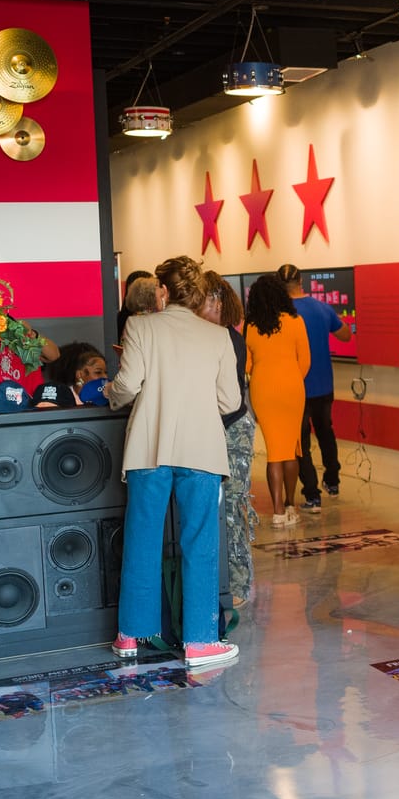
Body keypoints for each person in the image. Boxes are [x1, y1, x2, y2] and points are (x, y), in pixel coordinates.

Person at [104, 255, 243, 669]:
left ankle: (130, 635)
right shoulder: (217, 335)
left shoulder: (140, 326)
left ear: (162, 290)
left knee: (142, 539)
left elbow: (127, 386)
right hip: (201, 448)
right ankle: (200, 642)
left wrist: (111, 394)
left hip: (151, 446)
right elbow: (231, 401)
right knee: (199, 541)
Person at [197, 271, 258, 609]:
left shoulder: (227, 339)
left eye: (200, 300)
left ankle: (238, 585)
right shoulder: (207, 336)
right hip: (215, 427)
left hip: (232, 429)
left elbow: (227, 401)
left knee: (233, 509)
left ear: (217, 302)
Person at [245, 272, 311, 528]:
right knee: (292, 447)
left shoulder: (251, 326)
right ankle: (292, 503)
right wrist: (292, 379)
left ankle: (277, 510)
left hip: (263, 389)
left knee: (275, 450)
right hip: (292, 388)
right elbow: (305, 361)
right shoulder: (296, 321)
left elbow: (247, 365)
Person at [280, 264, 344, 511]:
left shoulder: (282, 314)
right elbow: (345, 336)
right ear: (301, 281)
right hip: (324, 385)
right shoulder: (322, 308)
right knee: (326, 431)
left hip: (296, 388)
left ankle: (312, 495)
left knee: (301, 442)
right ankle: (333, 479)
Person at [32, 342, 107, 409]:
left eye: (106, 372)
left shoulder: (106, 396)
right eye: (98, 372)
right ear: (79, 374)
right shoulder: (62, 396)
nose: (105, 377)